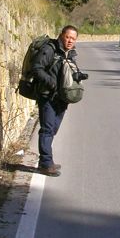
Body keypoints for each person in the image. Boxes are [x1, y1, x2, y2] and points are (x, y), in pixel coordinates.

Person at [31, 25, 80, 177]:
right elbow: (36, 68)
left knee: (53, 129)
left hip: (61, 98)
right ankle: (46, 163)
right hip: (47, 96)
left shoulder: (69, 53)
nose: (70, 41)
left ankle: (46, 161)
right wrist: (51, 83)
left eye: (73, 38)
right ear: (61, 35)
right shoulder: (49, 49)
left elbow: (67, 71)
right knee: (47, 129)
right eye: (68, 37)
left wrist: (78, 76)